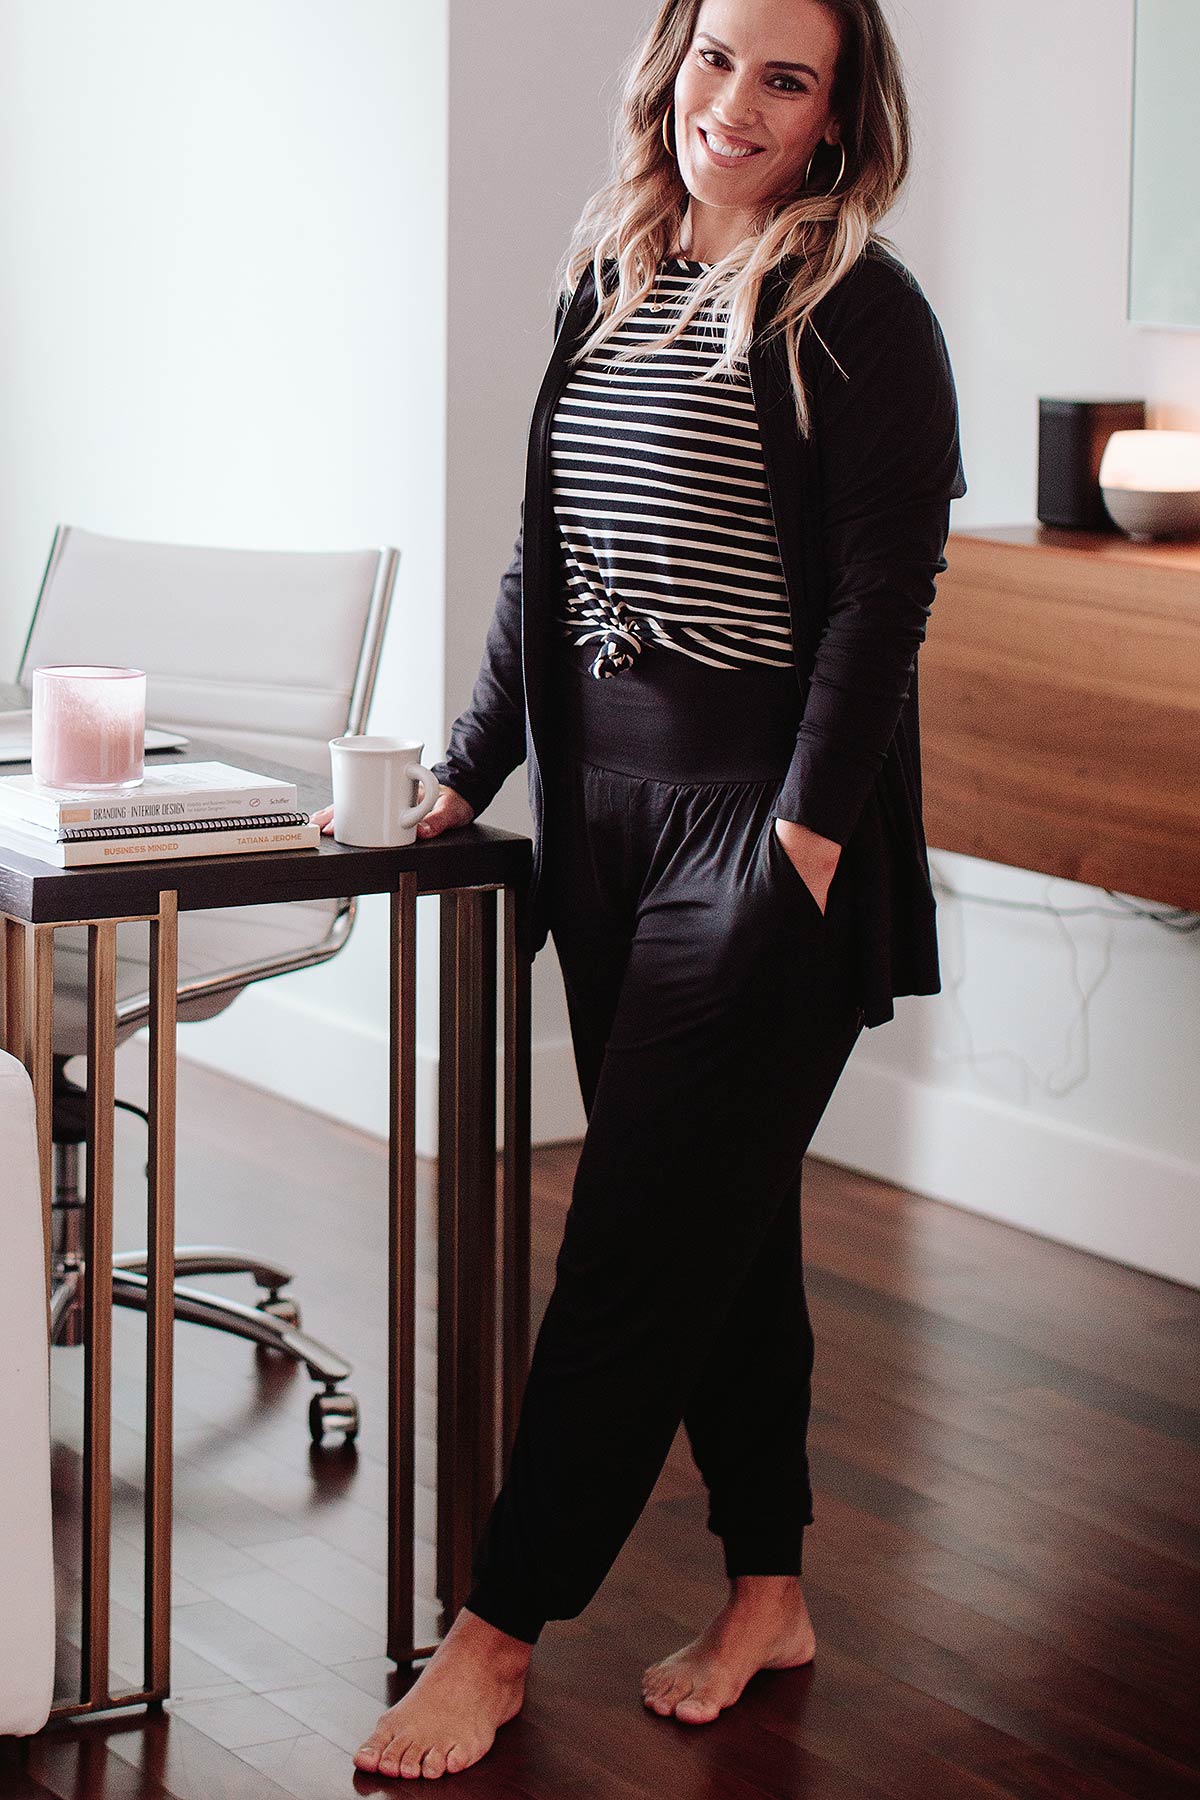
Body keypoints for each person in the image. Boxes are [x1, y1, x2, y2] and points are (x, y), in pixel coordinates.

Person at [315, 0, 965, 1778]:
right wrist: (471, 758)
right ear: (666, 64)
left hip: (759, 834)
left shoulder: (862, 309)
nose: (734, 104)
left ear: (836, 118)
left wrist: (807, 842)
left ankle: (497, 1633)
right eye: (714, 59)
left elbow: (881, 601)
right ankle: (770, 1587)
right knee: (719, 1228)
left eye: (785, 78)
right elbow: (550, 547)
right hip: (603, 821)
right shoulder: (610, 271)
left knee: (623, 1246)